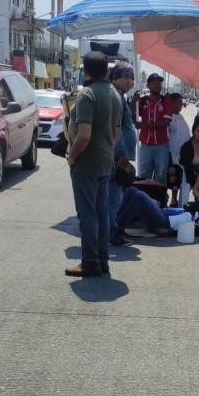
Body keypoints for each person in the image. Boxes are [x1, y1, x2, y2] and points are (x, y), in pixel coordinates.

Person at [65, 51, 122, 277]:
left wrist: (73, 156)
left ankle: (89, 262)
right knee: (101, 212)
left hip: (86, 162)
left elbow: (84, 135)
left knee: (87, 213)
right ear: (106, 71)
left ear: (85, 70)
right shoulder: (114, 94)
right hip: (105, 160)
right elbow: (116, 133)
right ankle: (102, 259)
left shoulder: (87, 94)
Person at [108, 63, 137, 247]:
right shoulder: (116, 97)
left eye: (131, 77)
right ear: (114, 77)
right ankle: (111, 233)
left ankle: (110, 231)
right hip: (117, 158)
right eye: (125, 76)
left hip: (116, 157)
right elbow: (116, 129)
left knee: (112, 198)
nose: (129, 81)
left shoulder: (120, 96)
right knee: (113, 199)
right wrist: (122, 156)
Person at [136, 73, 173, 182]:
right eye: (154, 83)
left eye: (159, 83)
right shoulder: (142, 101)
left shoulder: (166, 100)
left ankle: (157, 199)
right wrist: (134, 100)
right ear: (148, 85)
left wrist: (144, 125)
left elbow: (165, 123)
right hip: (145, 145)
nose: (157, 85)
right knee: (143, 175)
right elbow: (132, 115)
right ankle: (144, 198)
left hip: (161, 145)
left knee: (161, 175)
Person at [167, 93, 191, 206]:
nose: (181, 105)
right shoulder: (170, 116)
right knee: (174, 178)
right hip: (174, 153)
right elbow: (171, 128)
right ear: (172, 103)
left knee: (182, 179)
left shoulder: (180, 115)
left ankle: (179, 201)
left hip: (183, 154)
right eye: (179, 102)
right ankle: (173, 199)